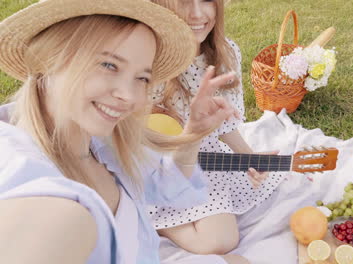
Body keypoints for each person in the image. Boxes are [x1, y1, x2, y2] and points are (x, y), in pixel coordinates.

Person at [0, 0, 248, 263]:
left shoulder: (99, 139)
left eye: (141, 78)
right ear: (48, 58)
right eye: (108, 65)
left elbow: (165, 184)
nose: (129, 96)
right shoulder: (27, 179)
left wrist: (193, 134)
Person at [148, 0, 285, 255]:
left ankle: (162, 214)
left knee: (221, 240)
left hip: (200, 157)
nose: (198, 13)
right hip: (148, 164)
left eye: (207, 1)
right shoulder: (146, 57)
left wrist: (247, 156)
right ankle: (159, 220)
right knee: (217, 242)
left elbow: (226, 121)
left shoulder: (226, 53)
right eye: (185, 2)